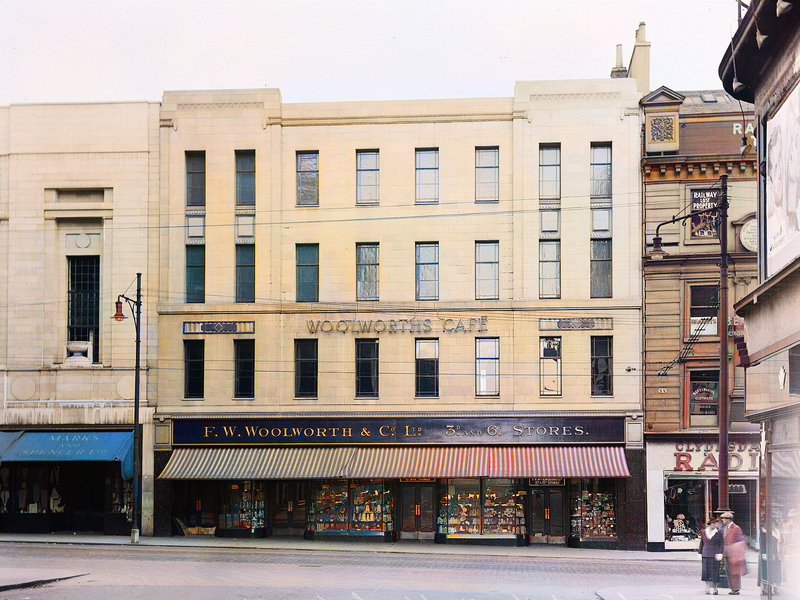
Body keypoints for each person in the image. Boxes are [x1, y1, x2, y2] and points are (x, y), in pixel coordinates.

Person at [720, 511, 747, 595]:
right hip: (727, 552)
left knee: (735, 572)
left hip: (734, 553)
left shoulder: (736, 528)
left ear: (728, 519)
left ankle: (736, 588)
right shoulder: (725, 528)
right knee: (729, 571)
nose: (722, 520)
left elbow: (740, 540)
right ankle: (732, 588)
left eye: (724, 519)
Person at [699, 516, 724, 595]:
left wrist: (720, 553)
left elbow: (721, 544)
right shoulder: (704, 532)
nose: (715, 525)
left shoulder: (718, 533)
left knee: (715, 572)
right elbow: (701, 543)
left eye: (716, 523)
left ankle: (715, 589)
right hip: (706, 554)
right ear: (710, 524)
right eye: (713, 523)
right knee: (706, 572)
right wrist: (699, 553)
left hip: (714, 554)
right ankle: (707, 588)